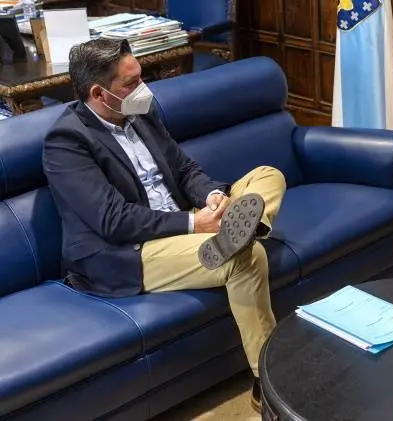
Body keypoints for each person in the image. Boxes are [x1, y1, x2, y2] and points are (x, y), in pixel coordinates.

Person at [42, 38, 284, 412]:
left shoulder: (140, 115)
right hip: (128, 250)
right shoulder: (66, 143)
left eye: (141, 77)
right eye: (130, 83)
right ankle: (265, 383)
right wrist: (193, 223)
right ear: (98, 93)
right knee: (245, 259)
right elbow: (113, 221)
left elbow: (185, 170)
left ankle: (243, 226)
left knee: (268, 175)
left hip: (188, 219)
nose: (143, 88)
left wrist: (210, 199)